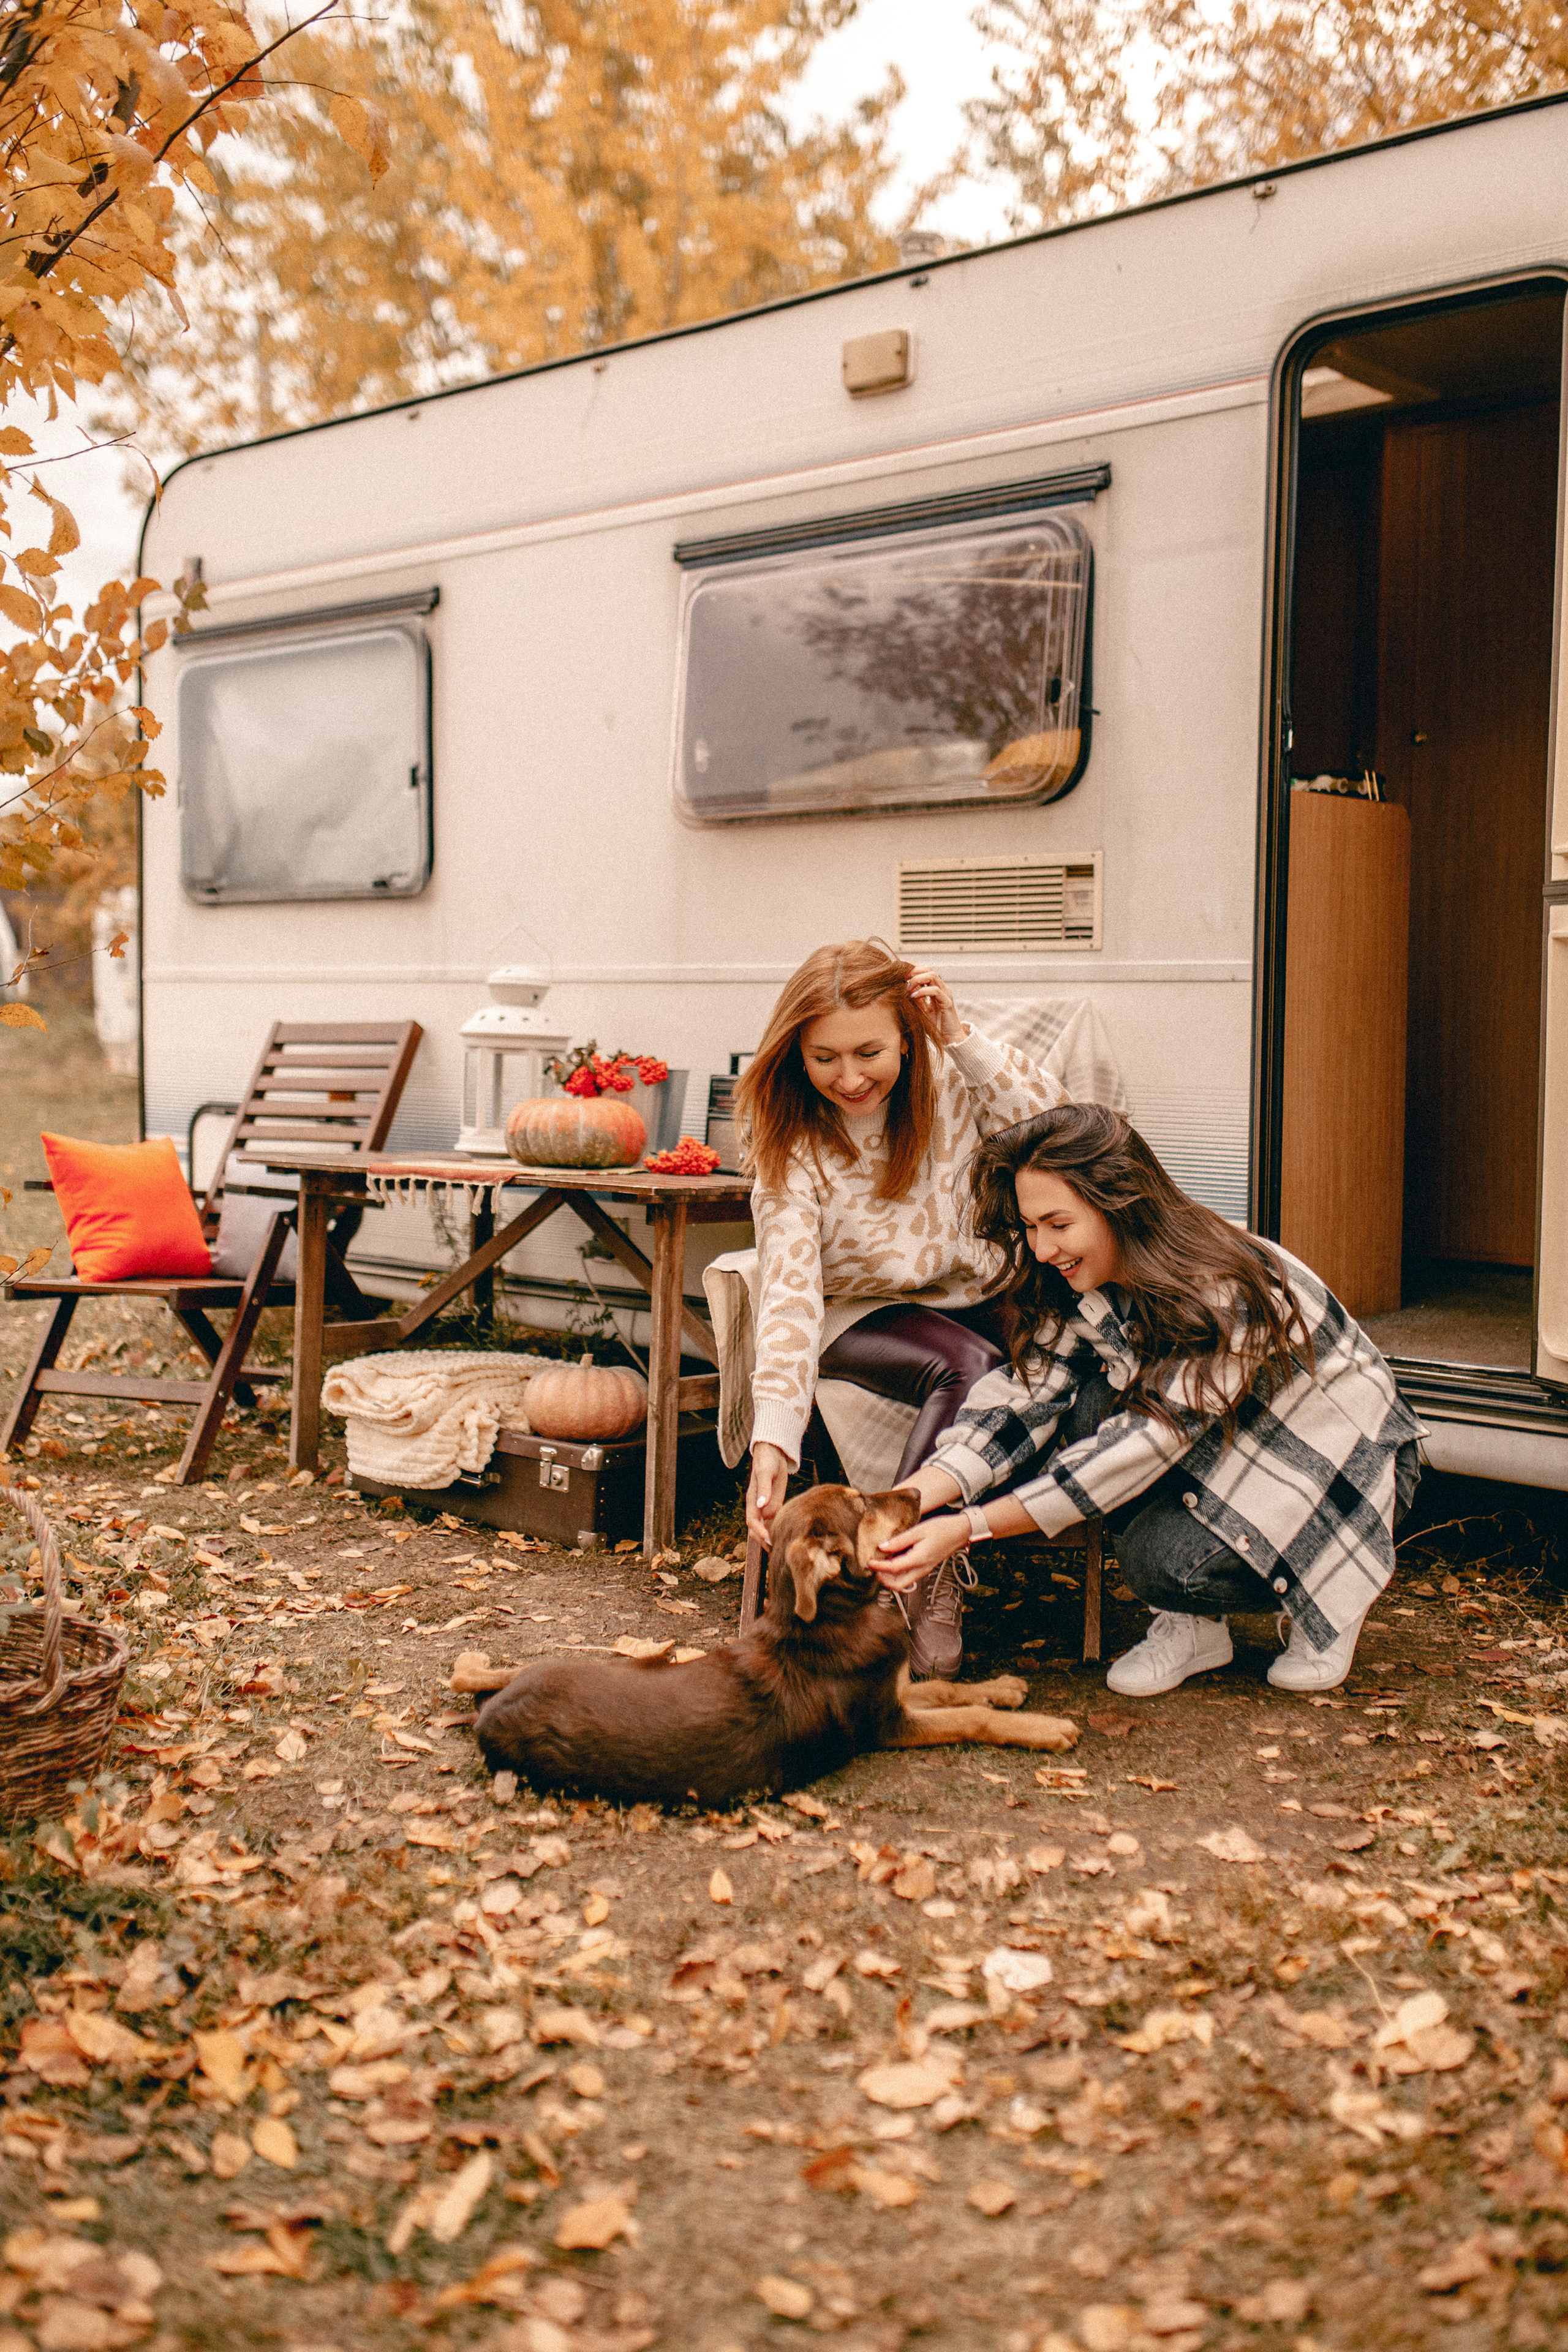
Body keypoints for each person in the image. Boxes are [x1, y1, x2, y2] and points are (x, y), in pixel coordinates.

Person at [874, 1104, 1423, 1695]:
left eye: (1058, 1225)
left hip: (1335, 1468)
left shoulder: (1226, 1286)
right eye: (1030, 1227)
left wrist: (967, 1528)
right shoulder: (1083, 1283)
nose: (1040, 1247)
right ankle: (1200, 1633)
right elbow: (1024, 1398)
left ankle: (1333, 1596)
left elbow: (1148, 1443)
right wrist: (908, 1499)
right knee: (1091, 1410)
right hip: (1229, 1447)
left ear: (1120, 1206)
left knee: (1165, 1565)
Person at [735, 938, 1068, 1675]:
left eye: (869, 1052)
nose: (850, 1077)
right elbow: (790, 1294)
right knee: (973, 1367)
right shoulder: (789, 1137)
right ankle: (909, 1577)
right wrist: (774, 1439)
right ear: (796, 1053)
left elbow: (1062, 1125)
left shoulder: (949, 1080)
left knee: (1065, 1353)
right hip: (857, 1314)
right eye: (825, 1058)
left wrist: (959, 1037)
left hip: (975, 1293)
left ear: (907, 1041)